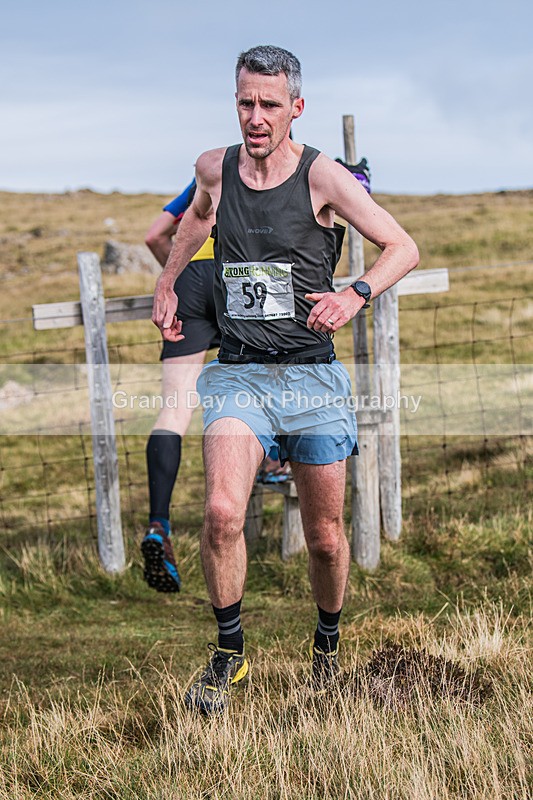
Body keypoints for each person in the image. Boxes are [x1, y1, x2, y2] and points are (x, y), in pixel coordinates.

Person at [152, 44, 419, 715]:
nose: (255, 117)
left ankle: (326, 647)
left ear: (296, 107)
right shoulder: (212, 167)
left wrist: (355, 294)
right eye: (245, 102)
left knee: (325, 538)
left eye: (269, 104)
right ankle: (229, 656)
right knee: (221, 513)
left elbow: (404, 247)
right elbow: (197, 217)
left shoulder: (324, 177)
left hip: (310, 377)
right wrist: (168, 279)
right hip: (239, 374)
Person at [141, 181, 220, 592]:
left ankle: (159, 523)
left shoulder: (199, 183)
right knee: (259, 387)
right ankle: (273, 466)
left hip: (188, 282)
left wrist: (176, 276)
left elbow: (155, 236)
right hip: (238, 276)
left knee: (174, 410)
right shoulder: (254, 170)